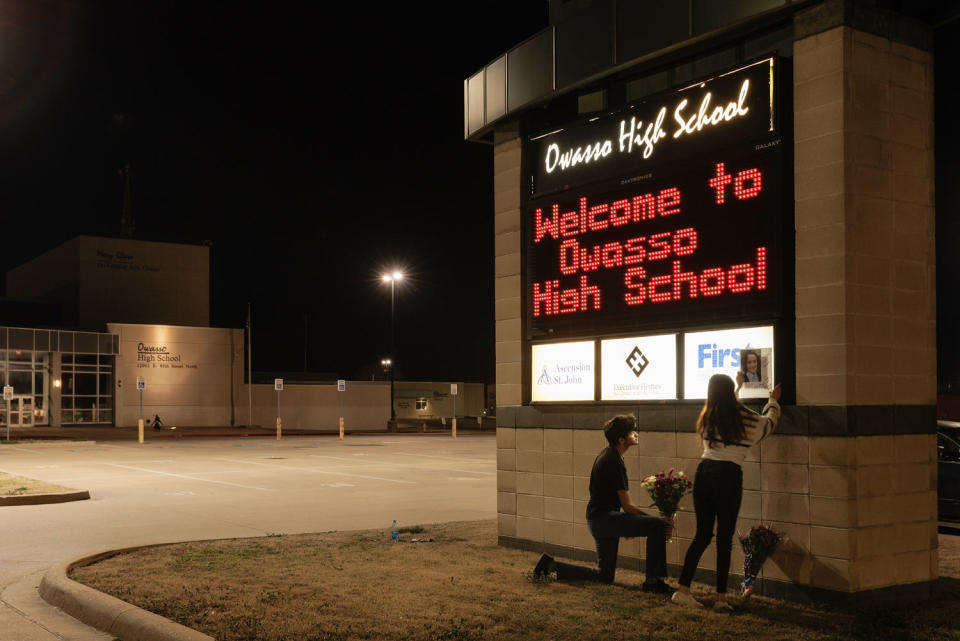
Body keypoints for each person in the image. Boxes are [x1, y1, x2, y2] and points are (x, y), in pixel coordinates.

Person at [672, 374, 781, 611]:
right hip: (729, 476)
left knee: (702, 535)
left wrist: (737, 387)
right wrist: (773, 401)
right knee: (724, 538)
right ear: (730, 391)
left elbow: (727, 404)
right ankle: (721, 599)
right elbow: (767, 424)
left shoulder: (709, 416)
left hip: (705, 472)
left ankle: (683, 590)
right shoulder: (744, 418)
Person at [533, 414, 673, 593]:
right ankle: (654, 582)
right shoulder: (614, 462)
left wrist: (628, 525)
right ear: (621, 439)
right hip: (605, 520)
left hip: (599, 520)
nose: (636, 434)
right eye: (632, 432)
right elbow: (628, 507)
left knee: (604, 577)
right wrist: (653, 520)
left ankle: (550, 566)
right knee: (658, 526)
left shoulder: (608, 455)